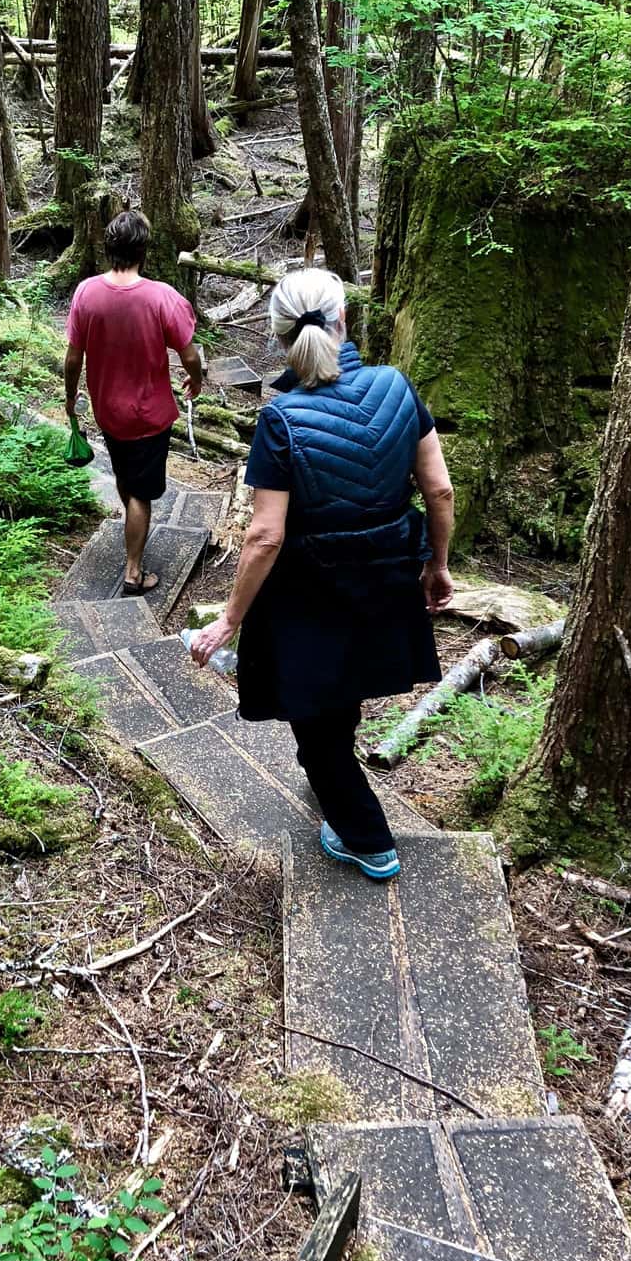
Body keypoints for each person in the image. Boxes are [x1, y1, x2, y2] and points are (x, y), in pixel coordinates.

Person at [190, 267, 455, 881]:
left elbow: (265, 534)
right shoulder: (397, 387)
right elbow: (438, 490)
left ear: (281, 338)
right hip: (386, 578)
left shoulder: (281, 420)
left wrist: (231, 618)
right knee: (341, 692)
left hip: (310, 591)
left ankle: (368, 840)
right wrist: (437, 568)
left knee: (314, 720)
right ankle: (335, 788)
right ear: (343, 320)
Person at [64, 210, 204, 594]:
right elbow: (189, 354)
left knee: (126, 476)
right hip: (149, 414)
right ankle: (133, 572)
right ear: (143, 249)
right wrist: (197, 378)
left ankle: (132, 527)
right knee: (140, 493)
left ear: (109, 248)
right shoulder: (162, 298)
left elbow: (74, 356)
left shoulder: (86, 293)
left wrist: (69, 395)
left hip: (107, 410)